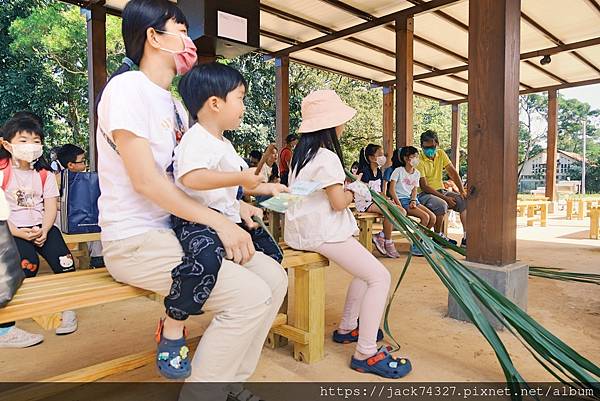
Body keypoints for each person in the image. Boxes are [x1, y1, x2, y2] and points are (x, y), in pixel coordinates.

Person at [95, 1, 286, 397]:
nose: (187, 39)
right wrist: (218, 222)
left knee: (274, 278)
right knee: (249, 296)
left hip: (179, 232)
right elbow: (147, 182)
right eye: (180, 29)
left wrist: (238, 207)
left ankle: (230, 383)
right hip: (137, 239)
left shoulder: (177, 106)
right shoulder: (126, 89)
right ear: (153, 36)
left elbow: (185, 181)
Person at [154, 63, 288, 379]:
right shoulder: (196, 138)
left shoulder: (224, 144)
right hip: (197, 223)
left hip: (226, 221)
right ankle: (174, 323)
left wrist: (265, 189)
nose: (244, 106)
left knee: (272, 258)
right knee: (204, 262)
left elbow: (236, 185)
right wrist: (241, 178)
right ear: (215, 103)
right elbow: (193, 177)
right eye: (240, 98)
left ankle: (233, 367)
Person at [284, 89, 412, 379]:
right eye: (339, 121)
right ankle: (365, 352)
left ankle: (347, 328)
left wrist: (348, 190)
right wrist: (356, 192)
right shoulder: (326, 156)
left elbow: (297, 197)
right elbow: (338, 203)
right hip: (323, 233)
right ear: (329, 125)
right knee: (380, 277)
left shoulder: (301, 157)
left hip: (301, 231)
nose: (343, 126)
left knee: (365, 270)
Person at [0, 114, 77, 348]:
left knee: (66, 264)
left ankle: (68, 310)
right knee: (25, 266)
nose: (30, 146)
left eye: (35, 140)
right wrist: (19, 233)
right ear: (6, 144)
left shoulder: (44, 174)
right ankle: (5, 329)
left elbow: (51, 205)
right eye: (23, 140)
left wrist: (44, 230)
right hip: (12, 230)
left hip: (42, 227)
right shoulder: (2, 173)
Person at [56, 144, 105, 268]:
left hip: (83, 215)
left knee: (98, 220)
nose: (85, 164)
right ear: (70, 165)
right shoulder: (57, 180)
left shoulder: (88, 179)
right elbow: (52, 203)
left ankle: (97, 257)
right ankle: (96, 257)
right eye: (82, 161)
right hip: (65, 218)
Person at [416, 130, 467, 247]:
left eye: (432, 146)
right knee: (441, 204)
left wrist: (462, 191)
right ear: (421, 146)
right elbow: (424, 186)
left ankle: (466, 237)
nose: (429, 150)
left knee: (463, 201)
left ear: (437, 144)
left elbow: (453, 173)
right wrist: (445, 198)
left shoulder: (441, 154)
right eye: (426, 147)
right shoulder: (419, 161)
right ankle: (438, 236)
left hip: (440, 191)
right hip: (424, 194)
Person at [355, 143, 402, 258]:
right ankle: (388, 241)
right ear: (371, 158)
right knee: (389, 211)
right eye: (380, 155)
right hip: (366, 203)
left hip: (377, 200)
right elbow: (365, 193)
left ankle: (380, 236)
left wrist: (387, 199)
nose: (383, 157)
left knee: (402, 211)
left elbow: (380, 192)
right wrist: (383, 201)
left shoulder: (379, 172)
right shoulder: (364, 172)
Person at [389, 146, 436, 256]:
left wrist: (414, 200)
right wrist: (399, 204)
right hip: (401, 200)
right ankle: (415, 245)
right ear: (405, 158)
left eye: (417, 156)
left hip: (412, 200)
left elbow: (414, 189)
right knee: (425, 217)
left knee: (432, 218)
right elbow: (391, 190)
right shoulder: (398, 171)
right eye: (413, 156)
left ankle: (419, 239)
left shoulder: (417, 173)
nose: (416, 159)